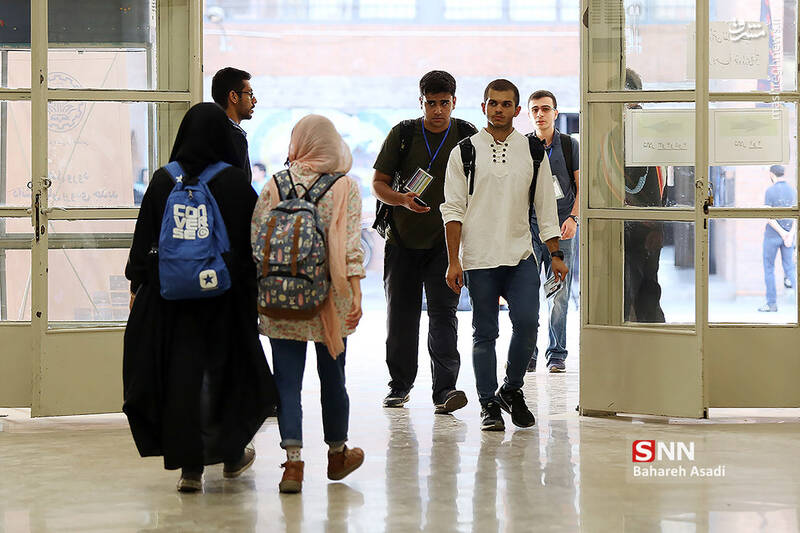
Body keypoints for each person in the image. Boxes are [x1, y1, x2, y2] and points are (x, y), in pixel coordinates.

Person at [123, 103, 277, 493]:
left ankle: (190, 470)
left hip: (170, 300)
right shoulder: (234, 184)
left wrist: (136, 286)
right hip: (224, 299)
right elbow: (253, 245)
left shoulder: (163, 181)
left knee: (182, 379)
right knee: (229, 373)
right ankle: (231, 455)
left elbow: (144, 242)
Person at [441, 79, 567, 432]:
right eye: (493, 103)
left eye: (506, 104)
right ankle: (488, 405)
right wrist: (454, 260)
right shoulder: (464, 152)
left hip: (521, 253)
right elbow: (452, 210)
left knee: (528, 323)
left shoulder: (532, 151)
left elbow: (545, 208)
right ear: (483, 108)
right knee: (485, 332)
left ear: (517, 110)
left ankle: (511, 389)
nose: (499, 109)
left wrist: (554, 252)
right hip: (479, 258)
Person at [252, 114, 365, 494]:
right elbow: (351, 247)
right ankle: (337, 454)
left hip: (281, 296)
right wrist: (357, 293)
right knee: (334, 377)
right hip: (330, 297)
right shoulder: (345, 186)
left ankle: (293, 466)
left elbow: (256, 240)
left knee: (287, 381)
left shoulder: (275, 183)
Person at [372, 70, 475, 412]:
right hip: (401, 241)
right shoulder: (402, 134)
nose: (437, 111)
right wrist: (400, 199)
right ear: (421, 102)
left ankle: (445, 390)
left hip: (446, 246)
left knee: (444, 316)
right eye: (431, 103)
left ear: (454, 102)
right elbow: (379, 184)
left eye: (444, 103)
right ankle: (399, 386)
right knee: (401, 317)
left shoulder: (466, 135)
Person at [526, 90, 580, 373]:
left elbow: (580, 188)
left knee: (558, 294)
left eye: (545, 109)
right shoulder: (522, 146)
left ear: (555, 113)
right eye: (535, 109)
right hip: (530, 229)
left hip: (562, 230)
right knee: (526, 292)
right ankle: (529, 352)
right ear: (529, 114)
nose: (540, 114)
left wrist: (573, 218)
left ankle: (556, 353)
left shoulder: (570, 145)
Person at [760, 164, 797, 312]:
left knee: (769, 268)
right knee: (790, 269)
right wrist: (790, 234)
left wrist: (781, 232)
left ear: (771, 174)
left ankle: (771, 304)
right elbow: (796, 215)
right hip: (789, 236)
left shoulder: (770, 191)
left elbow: (768, 216)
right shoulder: (792, 191)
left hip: (772, 236)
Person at [211, 67, 256, 182]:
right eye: (250, 94)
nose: (254, 100)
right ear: (234, 96)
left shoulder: (212, 130)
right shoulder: (234, 137)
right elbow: (237, 187)